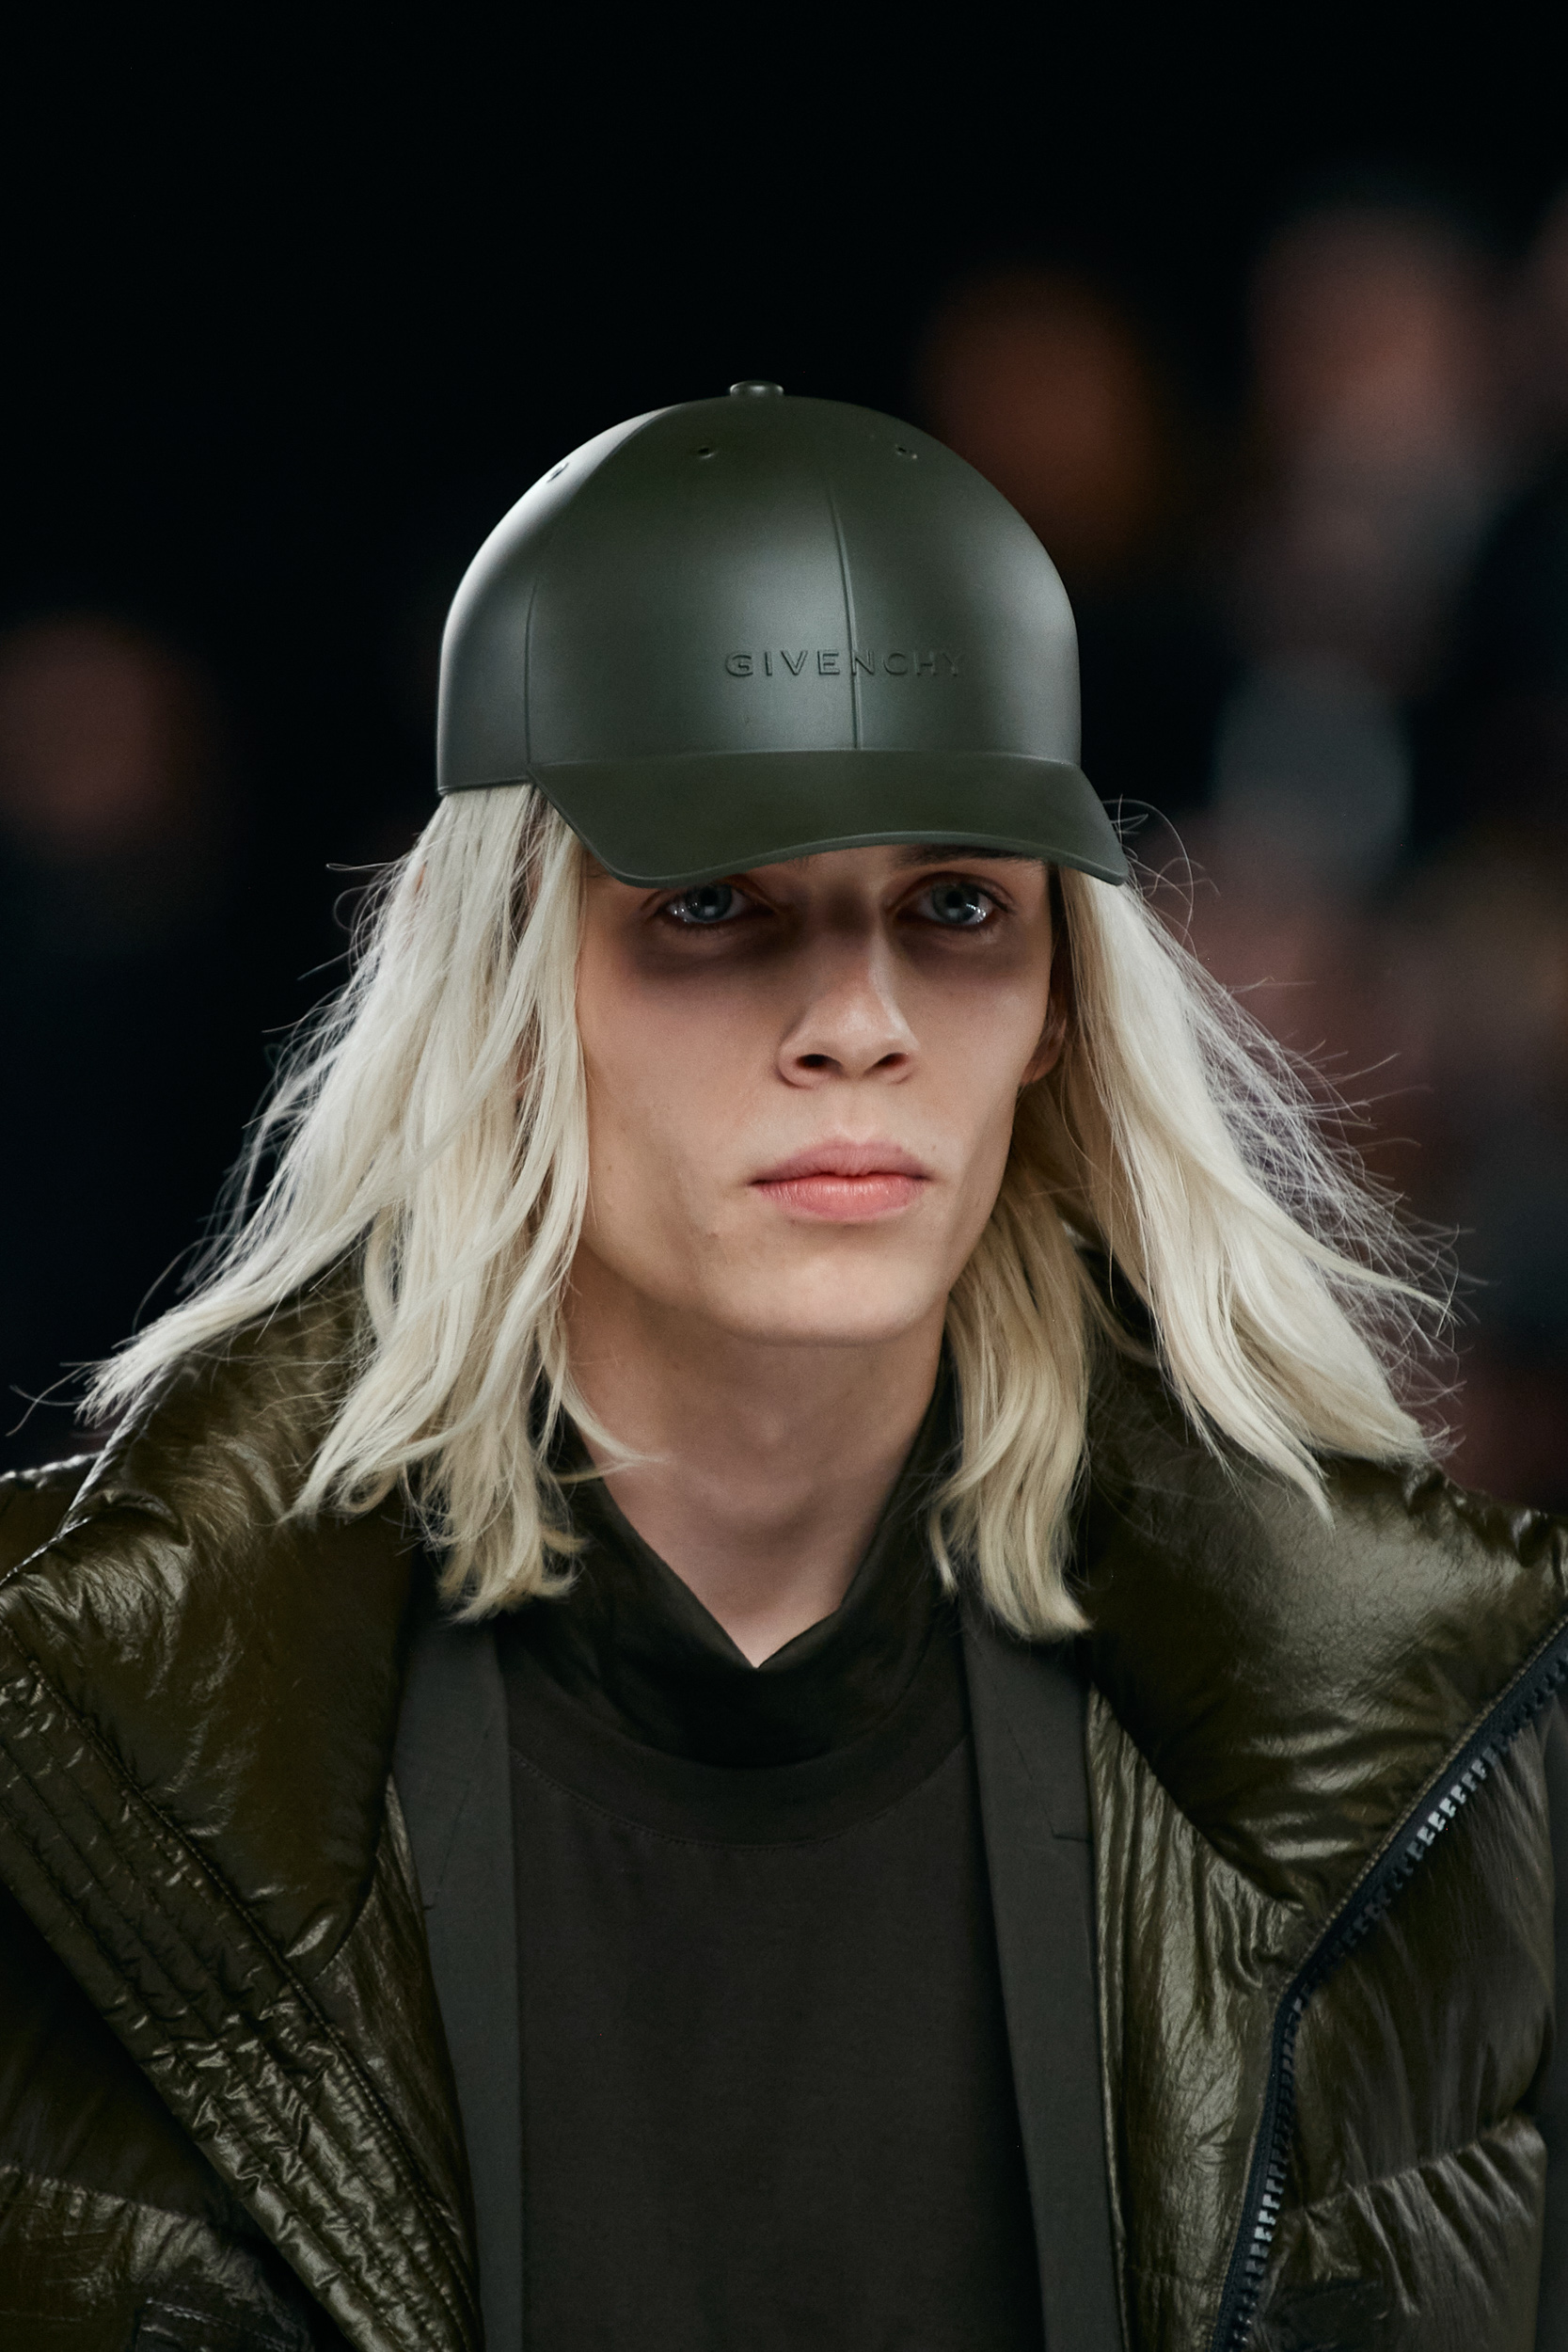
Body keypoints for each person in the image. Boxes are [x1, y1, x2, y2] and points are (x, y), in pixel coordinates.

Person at [0, 383, 1561, 2352]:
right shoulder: (77, 1737)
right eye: (715, 903)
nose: (857, 1019)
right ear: (505, 984)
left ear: (1060, 1005)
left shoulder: (1432, 1736)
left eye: (956, 906)